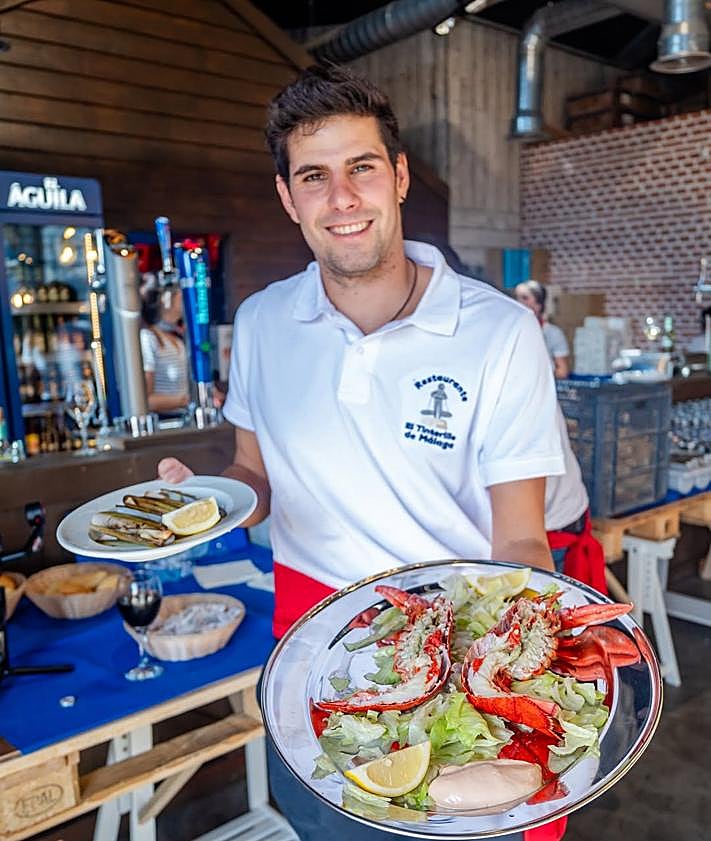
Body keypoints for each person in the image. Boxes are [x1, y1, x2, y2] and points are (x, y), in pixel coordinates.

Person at [159, 65, 566, 841]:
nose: (341, 199)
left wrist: (510, 662)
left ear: (399, 177)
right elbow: (256, 473)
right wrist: (210, 499)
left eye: (361, 168)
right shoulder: (261, 321)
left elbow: (518, 536)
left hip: (449, 651)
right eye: (314, 176)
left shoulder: (498, 331)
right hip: (309, 651)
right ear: (288, 197)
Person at [139, 284, 190, 413]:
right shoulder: (148, 338)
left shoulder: (178, 340)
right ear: (166, 300)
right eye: (181, 297)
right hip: (164, 424)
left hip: (185, 421)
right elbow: (146, 400)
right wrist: (186, 400)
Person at [515, 280, 570, 379]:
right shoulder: (513, 332)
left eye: (525, 298)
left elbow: (562, 371)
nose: (519, 302)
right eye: (517, 298)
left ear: (538, 305)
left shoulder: (552, 333)